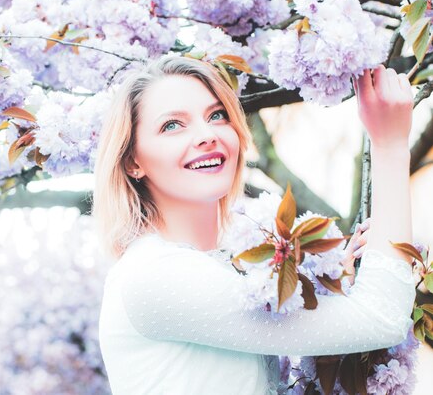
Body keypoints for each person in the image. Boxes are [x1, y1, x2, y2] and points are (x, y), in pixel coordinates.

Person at [93, 56, 415, 394]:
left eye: (216, 115)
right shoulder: (155, 274)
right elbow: (381, 317)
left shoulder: (218, 268)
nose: (207, 135)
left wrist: (336, 281)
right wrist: (390, 144)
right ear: (132, 162)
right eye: (172, 125)